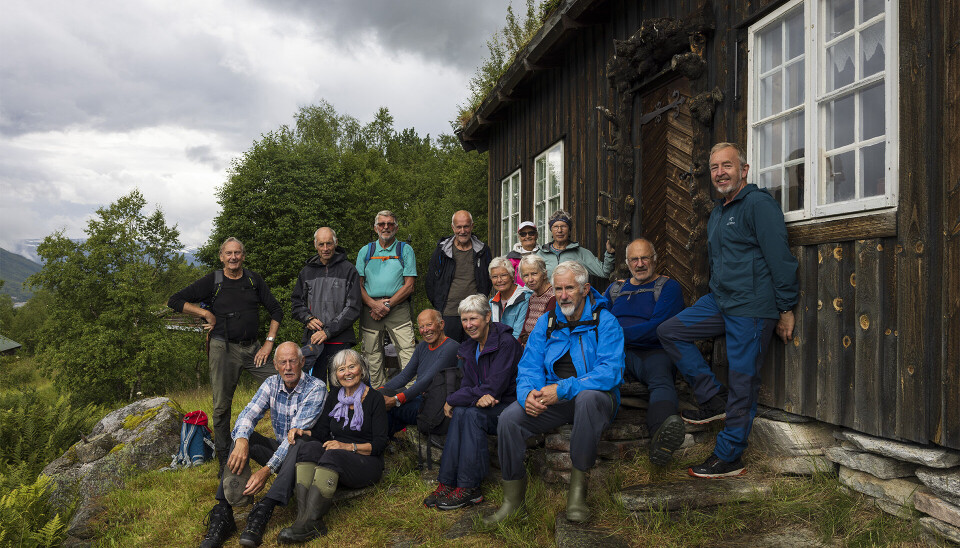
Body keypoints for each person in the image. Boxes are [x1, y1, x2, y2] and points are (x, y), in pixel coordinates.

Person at [657, 142, 799, 478]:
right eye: (715, 167)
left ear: (743, 170)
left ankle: (729, 455)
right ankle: (713, 399)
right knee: (670, 331)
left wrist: (786, 308)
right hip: (720, 301)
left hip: (751, 308)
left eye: (727, 165)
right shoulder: (719, 211)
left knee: (743, 382)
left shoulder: (759, 205)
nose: (720, 173)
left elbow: (780, 259)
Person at [487, 261, 624, 524]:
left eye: (569, 288)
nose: (562, 295)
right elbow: (529, 365)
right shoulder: (547, 322)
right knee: (508, 419)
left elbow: (610, 372)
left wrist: (562, 389)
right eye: (559, 288)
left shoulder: (605, 322)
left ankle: (577, 494)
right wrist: (527, 394)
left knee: (587, 397)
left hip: (596, 398)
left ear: (585, 289)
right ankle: (513, 501)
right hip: (553, 398)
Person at [168, 237, 284, 472]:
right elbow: (175, 301)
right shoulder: (214, 280)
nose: (233, 257)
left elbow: (276, 310)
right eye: (229, 253)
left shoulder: (253, 280)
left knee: (282, 387)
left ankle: (286, 444)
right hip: (223, 349)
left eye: (237, 253)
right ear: (221, 256)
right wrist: (205, 314)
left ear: (243, 255)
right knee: (221, 405)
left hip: (254, 349)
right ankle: (223, 456)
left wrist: (269, 344)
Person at [199, 342, 326, 548]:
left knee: (299, 439)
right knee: (242, 436)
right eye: (282, 362)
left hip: (304, 459)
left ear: (302, 362)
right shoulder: (271, 383)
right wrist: (241, 441)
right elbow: (247, 414)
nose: (288, 367)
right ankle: (223, 513)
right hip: (282, 452)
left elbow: (293, 437)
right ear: (275, 365)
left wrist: (267, 470)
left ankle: (264, 509)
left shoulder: (316, 388)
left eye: (292, 361)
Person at [277, 349, 388, 543]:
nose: (347, 373)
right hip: (338, 461)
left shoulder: (375, 399)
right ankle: (303, 520)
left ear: (361, 369)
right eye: (341, 369)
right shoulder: (335, 394)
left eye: (352, 367)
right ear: (335, 375)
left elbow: (379, 444)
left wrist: (347, 446)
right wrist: (304, 432)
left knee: (332, 455)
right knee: (307, 447)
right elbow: (321, 432)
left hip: (366, 462)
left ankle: (311, 521)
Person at [422, 294, 522, 511]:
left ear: (487, 316)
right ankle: (447, 482)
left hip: (509, 405)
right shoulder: (470, 346)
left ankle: (470, 488)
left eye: (473, 319)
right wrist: (472, 398)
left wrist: (452, 399)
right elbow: (468, 385)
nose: (468, 325)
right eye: (464, 320)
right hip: (484, 403)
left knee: (470, 414)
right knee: (461, 413)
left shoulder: (506, 343)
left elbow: (493, 388)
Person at [605, 238, 686, 466]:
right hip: (616, 354)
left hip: (651, 351)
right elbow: (599, 316)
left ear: (654, 259)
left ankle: (661, 438)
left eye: (645, 258)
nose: (640, 264)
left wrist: (615, 335)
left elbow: (658, 328)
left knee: (661, 379)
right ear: (627, 263)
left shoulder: (668, 287)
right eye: (634, 259)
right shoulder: (616, 288)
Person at [355, 210, 418, 388]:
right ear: (375, 228)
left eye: (390, 224)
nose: (386, 227)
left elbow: (409, 286)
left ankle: (409, 393)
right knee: (371, 355)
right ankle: (377, 395)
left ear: (396, 228)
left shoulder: (405, 250)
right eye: (382, 224)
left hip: (398, 308)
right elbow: (357, 285)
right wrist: (374, 305)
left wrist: (386, 305)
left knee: (407, 352)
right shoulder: (366, 251)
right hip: (370, 309)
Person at [290, 227, 362, 382]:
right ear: (315, 245)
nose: (325, 248)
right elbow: (296, 304)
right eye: (321, 244)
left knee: (342, 389)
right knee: (315, 388)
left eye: (329, 244)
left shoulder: (349, 270)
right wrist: (308, 319)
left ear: (335, 243)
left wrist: (328, 331)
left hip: (340, 340)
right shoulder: (306, 272)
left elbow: (354, 307)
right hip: (314, 342)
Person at [380, 309, 459, 436]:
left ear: (441, 324)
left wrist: (396, 400)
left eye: (429, 325)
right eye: (421, 327)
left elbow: (426, 380)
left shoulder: (451, 347)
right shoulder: (422, 347)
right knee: (380, 395)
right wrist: (375, 392)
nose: (425, 330)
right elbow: (405, 376)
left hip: (434, 405)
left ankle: (380, 441)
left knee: (383, 405)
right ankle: (385, 439)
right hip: (420, 398)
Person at [425, 210, 493, 342]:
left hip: (475, 312)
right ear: (453, 228)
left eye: (466, 226)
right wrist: (440, 305)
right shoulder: (442, 251)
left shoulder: (483, 250)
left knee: (474, 354)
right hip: (449, 312)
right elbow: (430, 281)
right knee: (450, 353)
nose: (462, 231)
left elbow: (487, 280)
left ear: (472, 226)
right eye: (459, 227)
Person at [537, 209, 615, 279]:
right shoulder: (541, 254)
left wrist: (610, 254)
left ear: (569, 230)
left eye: (563, 226)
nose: (559, 230)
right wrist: (526, 293)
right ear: (551, 230)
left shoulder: (581, 253)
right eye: (556, 226)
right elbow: (525, 279)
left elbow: (605, 272)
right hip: (548, 295)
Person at [488, 257, 532, 340]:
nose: (499, 280)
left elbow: (517, 333)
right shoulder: (492, 302)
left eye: (503, 275)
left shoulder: (525, 298)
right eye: (494, 277)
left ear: (512, 276)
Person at [517, 254, 556, 346]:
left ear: (544, 274)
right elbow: (523, 331)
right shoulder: (533, 297)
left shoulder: (553, 297)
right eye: (526, 275)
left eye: (534, 274)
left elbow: (546, 331)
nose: (530, 279)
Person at [506, 221, 540, 286]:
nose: (527, 236)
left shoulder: (543, 253)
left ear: (536, 235)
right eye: (523, 234)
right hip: (519, 293)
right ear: (519, 237)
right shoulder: (511, 257)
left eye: (531, 233)